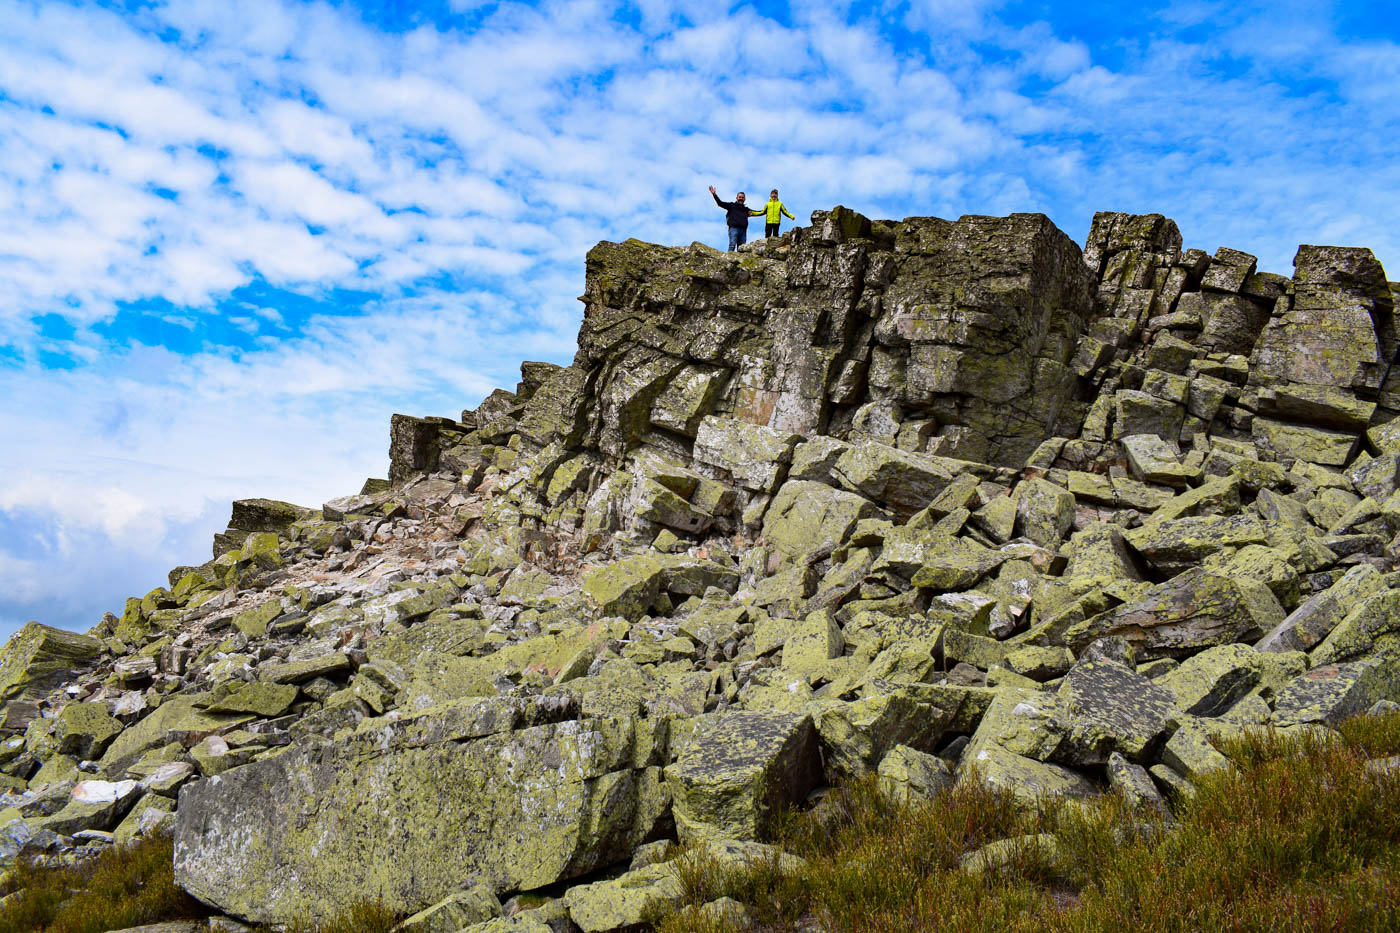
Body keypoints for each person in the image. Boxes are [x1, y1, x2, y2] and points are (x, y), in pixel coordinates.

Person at [709, 185, 761, 252]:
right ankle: (728, 261)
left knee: (742, 249)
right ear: (736, 198)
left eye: (742, 197)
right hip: (733, 228)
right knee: (732, 245)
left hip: (743, 230)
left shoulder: (746, 210)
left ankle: (740, 262)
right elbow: (720, 203)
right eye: (739, 197)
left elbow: (757, 212)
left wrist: (766, 211)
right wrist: (714, 194)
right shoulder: (731, 205)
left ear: (745, 199)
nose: (741, 198)